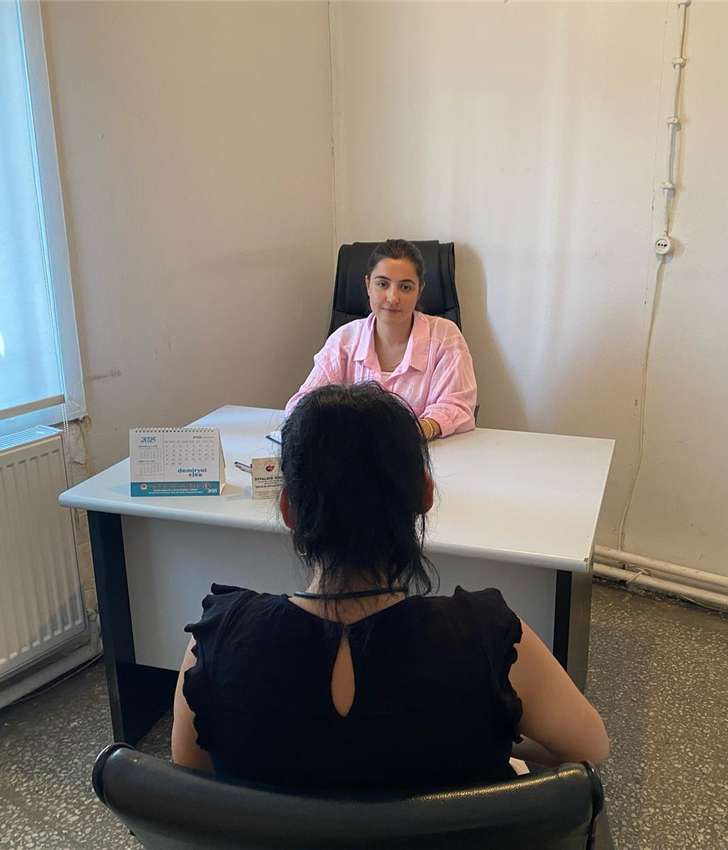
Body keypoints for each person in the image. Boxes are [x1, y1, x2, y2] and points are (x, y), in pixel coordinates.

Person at [171, 383, 608, 792]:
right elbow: (590, 748)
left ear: (288, 509)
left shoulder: (214, 641)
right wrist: (499, 726)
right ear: (425, 495)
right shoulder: (490, 638)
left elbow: (191, 776)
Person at [285, 239, 477, 441]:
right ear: (368, 285)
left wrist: (417, 431)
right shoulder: (344, 340)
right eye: (382, 284)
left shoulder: (444, 336)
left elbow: (457, 406)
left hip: (421, 454)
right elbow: (301, 406)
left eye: (405, 287)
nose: (393, 298)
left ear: (420, 291)